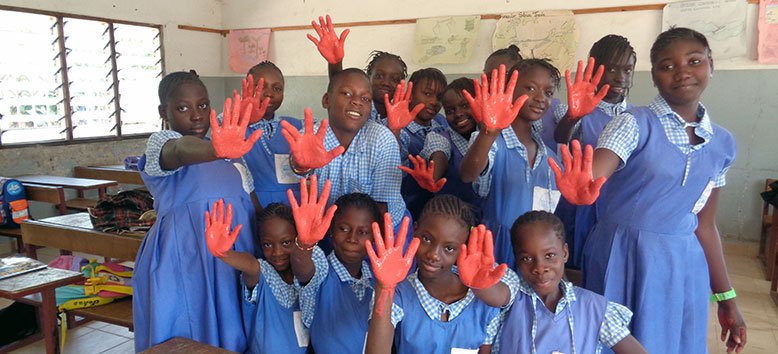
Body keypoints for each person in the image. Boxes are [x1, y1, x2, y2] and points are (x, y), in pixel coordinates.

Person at [549, 27, 747, 353]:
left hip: (681, 264)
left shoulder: (722, 143)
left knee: (671, 342)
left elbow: (706, 225)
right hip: (621, 254)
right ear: (654, 77)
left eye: (694, 60)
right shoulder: (632, 123)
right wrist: (584, 184)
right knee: (614, 339)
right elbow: (599, 169)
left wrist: (727, 299)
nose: (682, 71)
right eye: (667, 65)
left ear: (711, 64)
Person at [133, 71, 261, 352]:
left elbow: (251, 205)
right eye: (183, 108)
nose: (196, 115)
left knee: (233, 330)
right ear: (163, 112)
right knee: (186, 331)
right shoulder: (162, 144)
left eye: (203, 105)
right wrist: (216, 148)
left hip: (232, 261)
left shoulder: (231, 152)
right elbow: (180, 150)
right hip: (184, 262)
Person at [365, 195, 519, 354]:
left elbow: (505, 297)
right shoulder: (399, 294)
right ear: (415, 230)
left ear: (463, 248)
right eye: (426, 239)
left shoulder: (483, 297)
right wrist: (384, 287)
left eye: (449, 248)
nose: (434, 255)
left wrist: (479, 285)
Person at [499, 210, 647, 354]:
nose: (539, 268)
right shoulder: (509, 301)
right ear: (517, 260)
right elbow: (490, 293)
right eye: (527, 259)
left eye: (549, 255)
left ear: (564, 253)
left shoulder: (594, 309)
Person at [281, 68, 408, 235]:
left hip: (383, 228)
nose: (357, 102)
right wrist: (301, 166)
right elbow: (300, 171)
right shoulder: (312, 138)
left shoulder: (382, 140)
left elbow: (382, 208)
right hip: (328, 228)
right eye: (347, 94)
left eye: (365, 98)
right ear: (327, 100)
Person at [460, 61, 561, 268]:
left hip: (534, 255)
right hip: (496, 248)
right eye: (530, 88)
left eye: (548, 92)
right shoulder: (490, 141)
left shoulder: (548, 157)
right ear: (509, 90)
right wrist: (490, 131)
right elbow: (468, 174)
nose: (541, 98)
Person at [552, 35, 636, 268]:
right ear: (593, 69)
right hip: (580, 209)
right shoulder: (578, 111)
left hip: (619, 208)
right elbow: (560, 137)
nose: (620, 77)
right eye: (611, 69)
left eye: (627, 70)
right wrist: (575, 114)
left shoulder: (637, 117)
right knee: (576, 266)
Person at [204, 200, 311, 353]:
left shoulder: (308, 273)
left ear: (299, 238)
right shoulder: (264, 273)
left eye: (286, 242)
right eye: (268, 244)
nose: (277, 252)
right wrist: (224, 254)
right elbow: (251, 266)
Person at [294, 188, 383, 353]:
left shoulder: (378, 280)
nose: (352, 238)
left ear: (374, 237)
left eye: (362, 232)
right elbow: (303, 270)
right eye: (344, 228)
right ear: (331, 231)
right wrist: (305, 244)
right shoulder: (322, 269)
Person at [307, 15, 407, 122]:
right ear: (368, 77)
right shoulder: (358, 107)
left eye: (394, 79)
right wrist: (335, 63)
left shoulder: (402, 115)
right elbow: (338, 87)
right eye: (379, 76)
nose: (386, 83)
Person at [240, 61, 304, 206]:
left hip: (293, 207)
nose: (269, 93)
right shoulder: (235, 126)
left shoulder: (295, 127)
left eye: (277, 88)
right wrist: (245, 119)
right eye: (260, 87)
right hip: (251, 205)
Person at [419, 77, 482, 216]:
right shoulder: (440, 136)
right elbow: (439, 153)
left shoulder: (493, 135)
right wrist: (433, 175)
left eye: (465, 105)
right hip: (453, 222)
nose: (458, 114)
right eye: (450, 110)